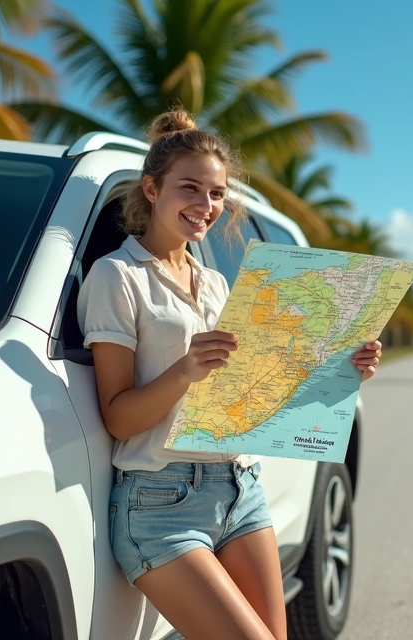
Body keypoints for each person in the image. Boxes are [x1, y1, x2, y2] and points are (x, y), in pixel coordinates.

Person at [77, 107, 383, 640]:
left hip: (241, 489)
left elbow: (258, 394)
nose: (205, 206)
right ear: (152, 189)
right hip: (160, 504)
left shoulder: (217, 285)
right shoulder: (116, 276)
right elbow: (119, 419)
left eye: (216, 194)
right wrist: (186, 369)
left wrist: (341, 370)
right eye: (190, 189)